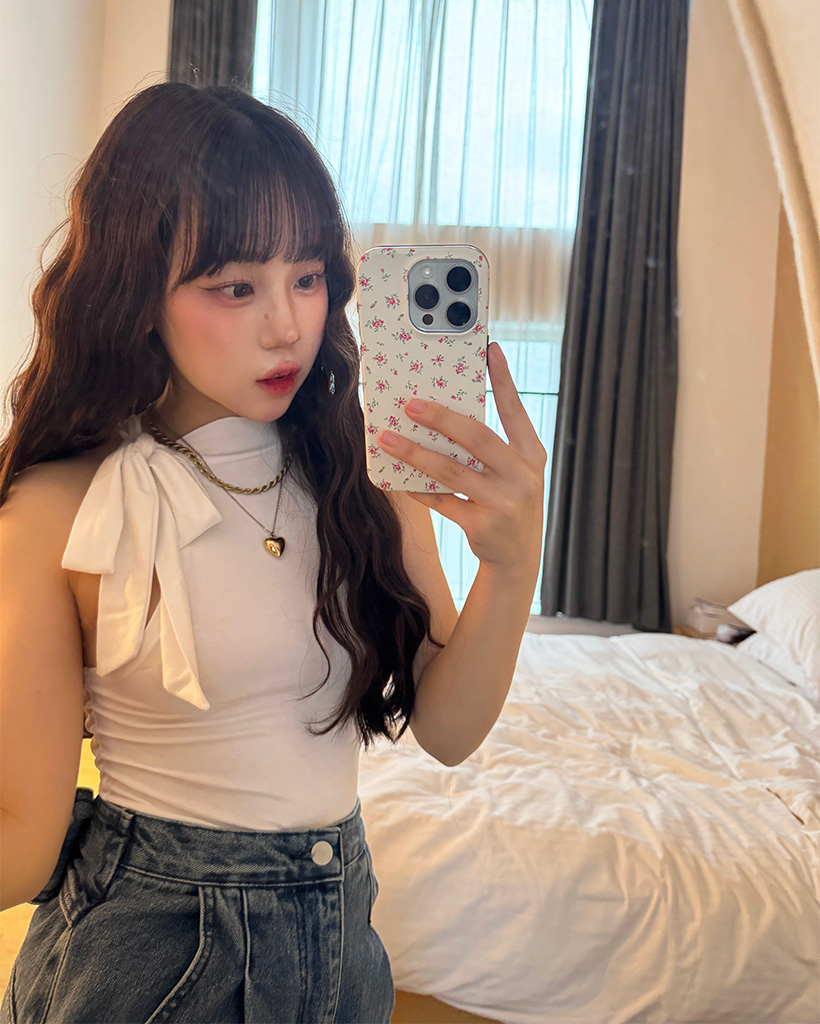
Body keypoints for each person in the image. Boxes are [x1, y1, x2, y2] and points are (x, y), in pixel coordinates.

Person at [0, 82, 546, 1023]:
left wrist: (511, 562)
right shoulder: (61, 509)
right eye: (235, 287)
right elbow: (23, 839)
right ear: (138, 290)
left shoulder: (361, 477)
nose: (288, 324)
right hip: (149, 961)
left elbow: (449, 731)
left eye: (308, 276)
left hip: (341, 955)